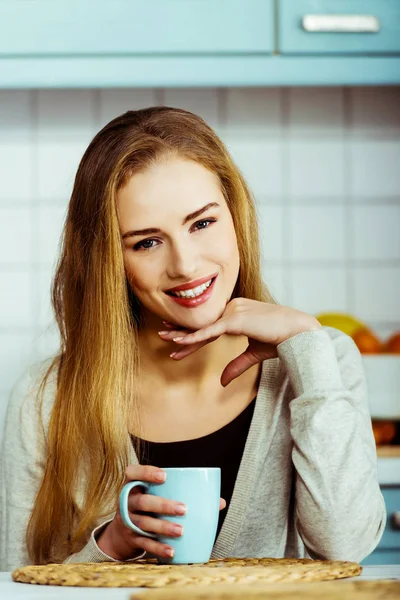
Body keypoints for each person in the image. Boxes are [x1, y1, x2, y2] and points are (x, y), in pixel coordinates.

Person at [0, 107, 386, 571]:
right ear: (108, 261)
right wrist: (109, 547)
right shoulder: (45, 398)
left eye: (202, 223)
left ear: (235, 217)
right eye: (146, 242)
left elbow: (346, 546)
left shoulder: (318, 360)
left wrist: (306, 343)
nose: (184, 264)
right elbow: (17, 583)